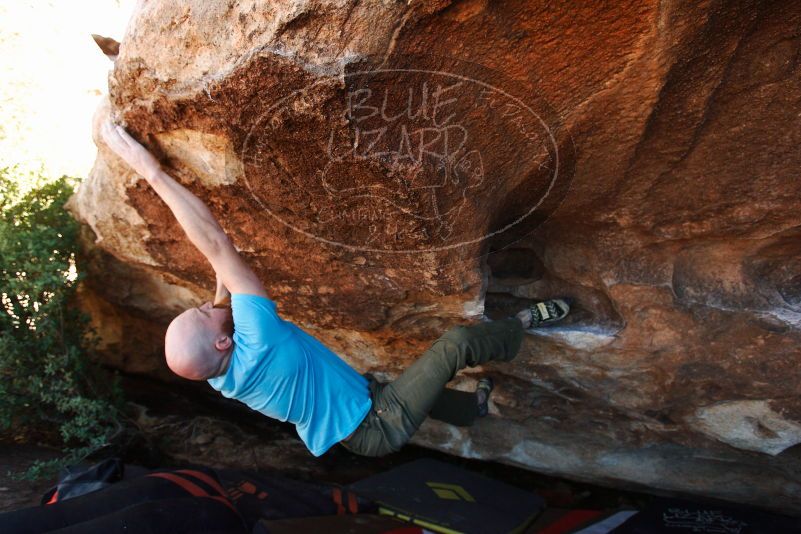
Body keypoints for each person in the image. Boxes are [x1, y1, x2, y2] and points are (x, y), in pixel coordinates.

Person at [101, 120, 571, 458]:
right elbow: (218, 250)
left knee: (394, 385)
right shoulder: (260, 341)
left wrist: (221, 278)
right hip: (377, 425)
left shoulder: (225, 373)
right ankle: (526, 322)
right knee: (456, 344)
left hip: (359, 419)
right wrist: (153, 172)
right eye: (200, 312)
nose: (208, 302)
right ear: (224, 340)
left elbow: (222, 295)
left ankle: (474, 408)